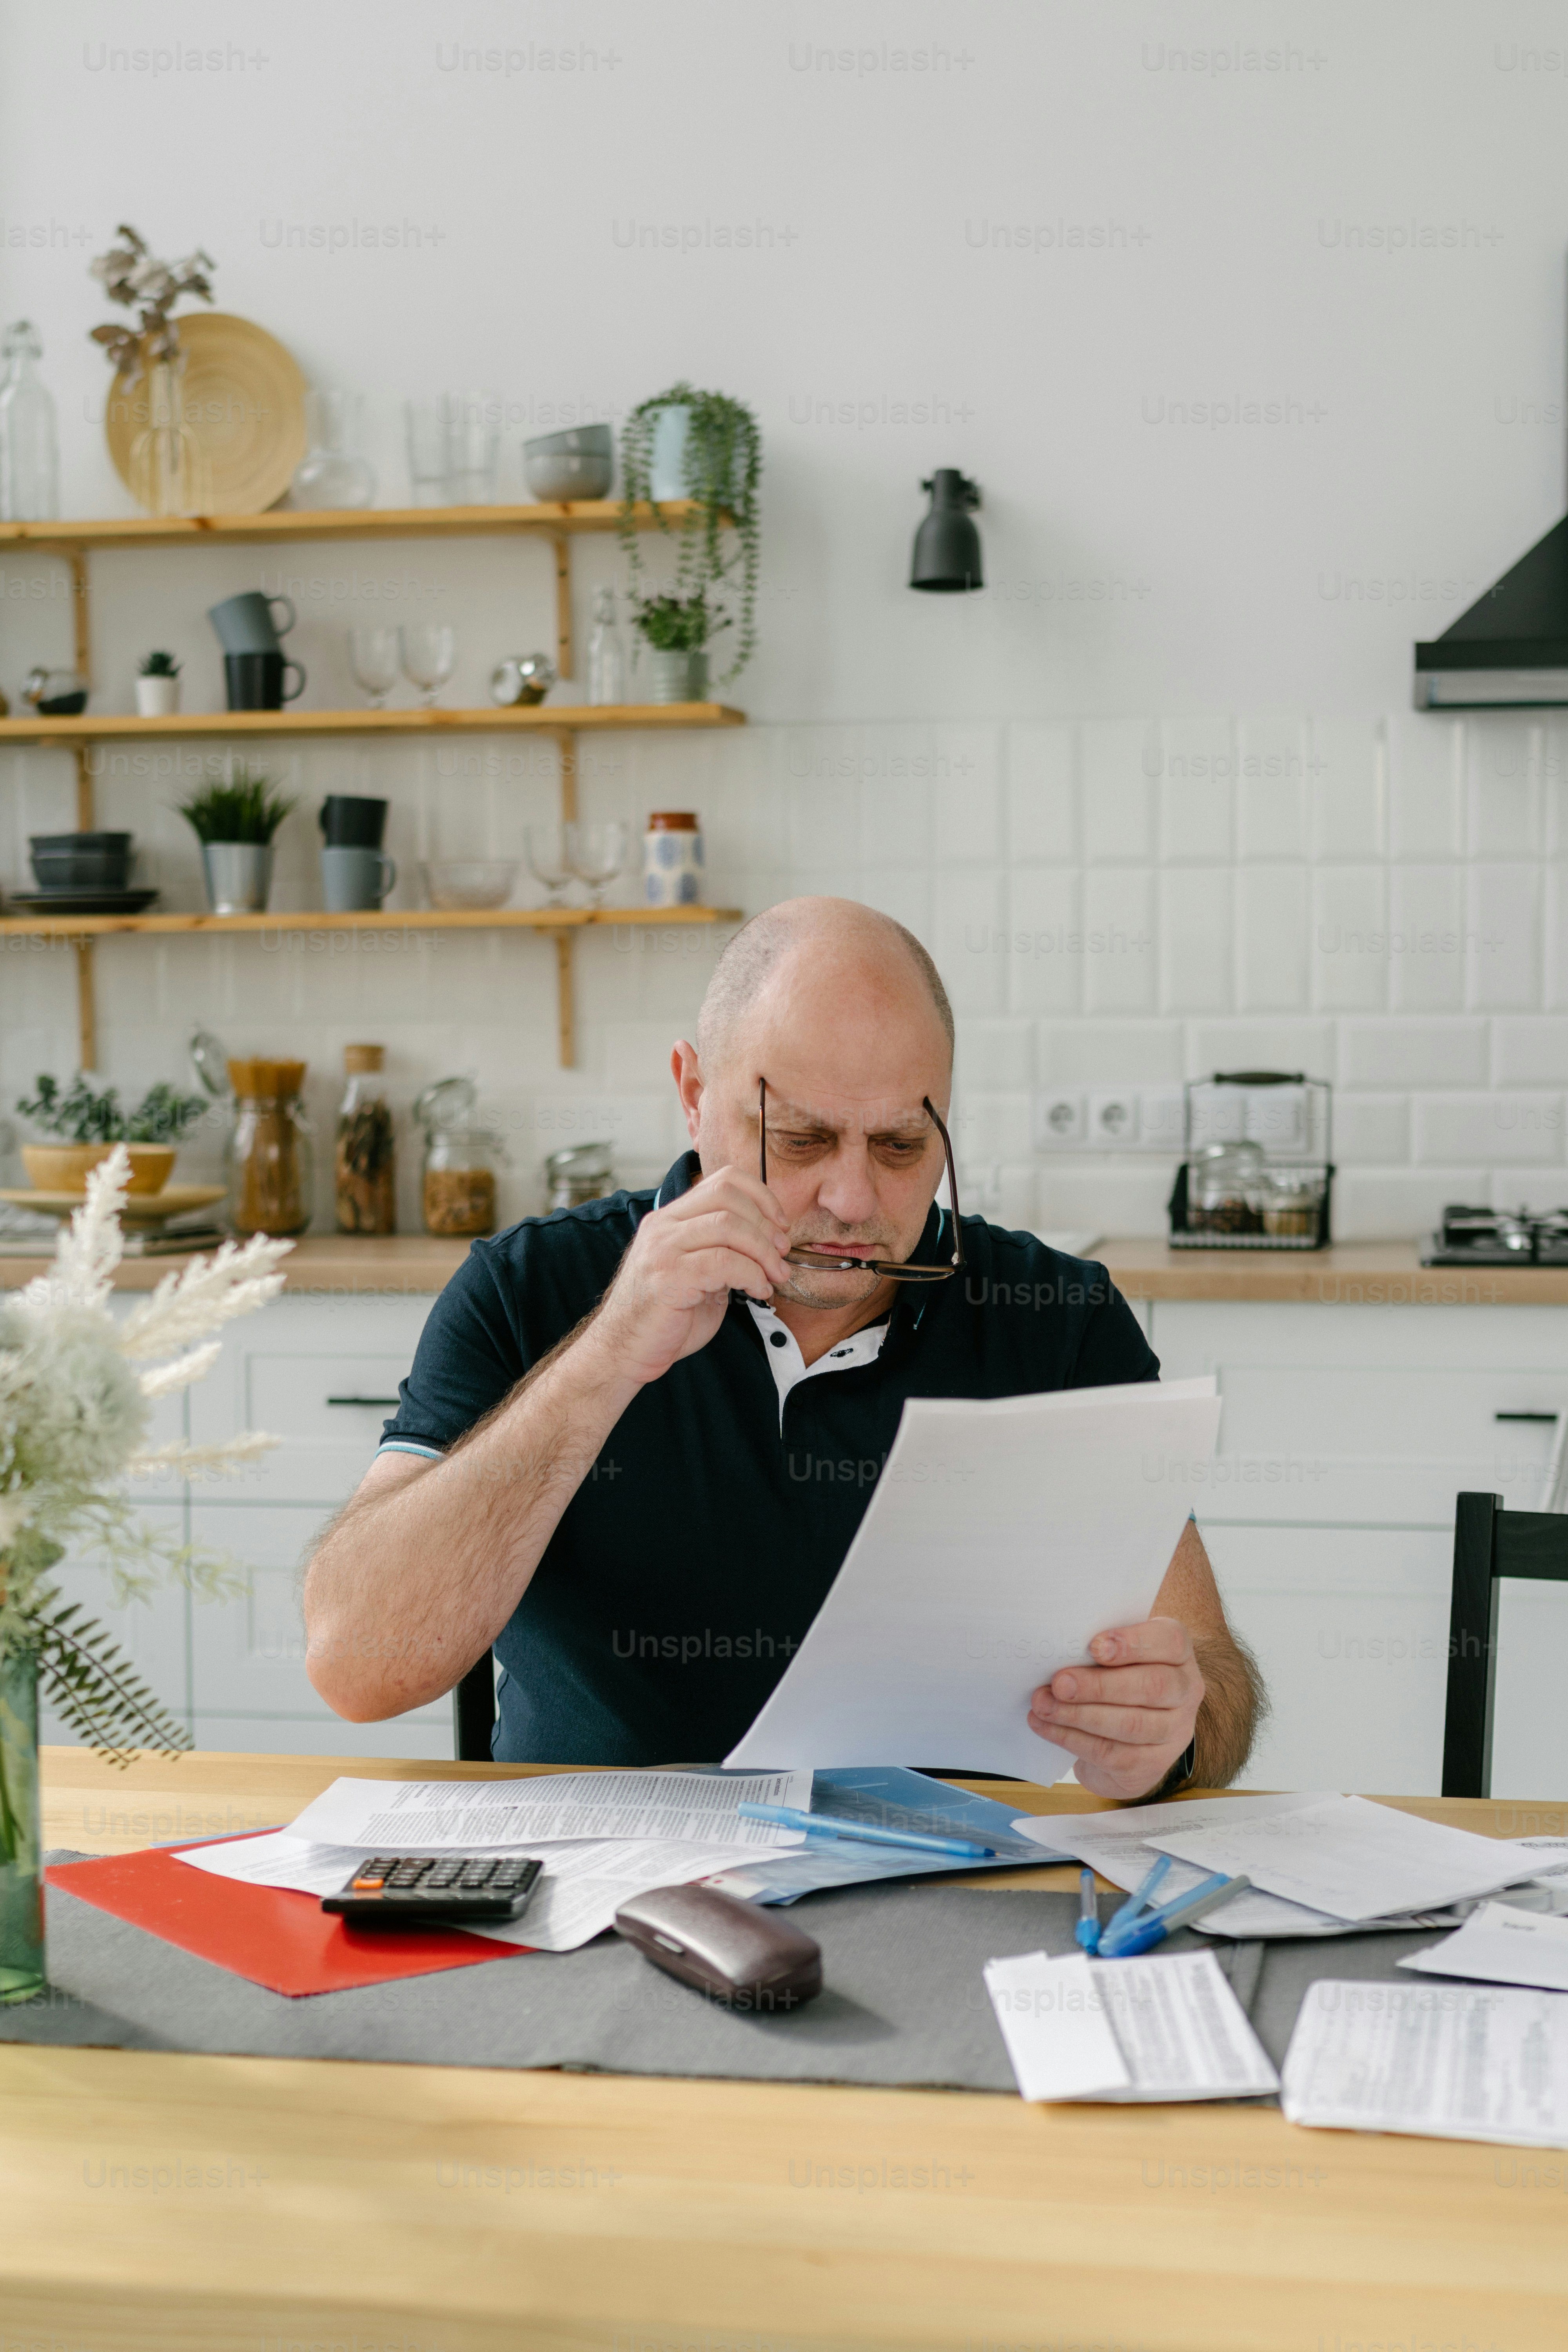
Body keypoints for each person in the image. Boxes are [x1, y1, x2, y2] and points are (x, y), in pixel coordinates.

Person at [305, 896, 1264, 1795]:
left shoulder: (1055, 1319)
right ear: (691, 1092)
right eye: (798, 1140)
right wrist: (607, 1358)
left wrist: (1168, 1727)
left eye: (898, 1147)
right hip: (595, 1887)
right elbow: (357, 1667)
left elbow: (1214, 1703)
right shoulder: (530, 1288)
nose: (852, 1202)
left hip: (943, 1892)